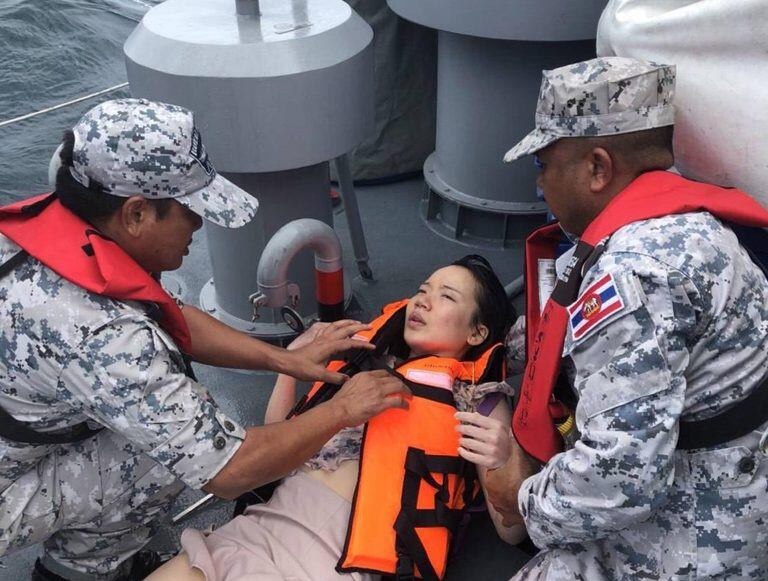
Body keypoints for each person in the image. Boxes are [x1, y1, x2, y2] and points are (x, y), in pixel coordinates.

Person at [0, 98, 410, 581]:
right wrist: (343, 410)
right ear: (135, 214)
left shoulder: (62, 224)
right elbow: (228, 468)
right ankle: (81, 574)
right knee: (161, 459)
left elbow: (167, 315)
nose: (199, 225)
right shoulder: (102, 337)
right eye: (189, 210)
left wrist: (287, 362)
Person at [483, 56, 768, 579]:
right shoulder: (684, 223)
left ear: (597, 167)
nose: (540, 186)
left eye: (544, 165)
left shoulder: (631, 274)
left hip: (707, 531)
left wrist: (521, 498)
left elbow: (620, 483)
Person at [148, 254, 526, 581]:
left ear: (477, 332)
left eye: (446, 297)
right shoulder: (361, 363)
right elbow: (274, 450)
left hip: (333, 562)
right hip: (261, 524)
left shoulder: (477, 399)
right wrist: (291, 368)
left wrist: (504, 458)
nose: (423, 301)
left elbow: (511, 531)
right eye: (423, 290)